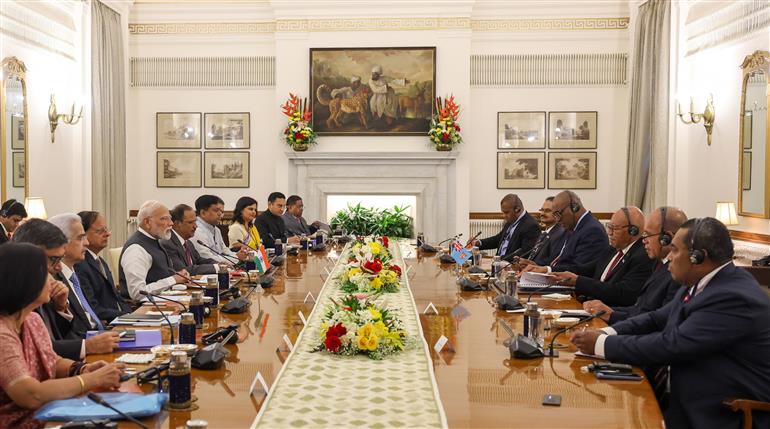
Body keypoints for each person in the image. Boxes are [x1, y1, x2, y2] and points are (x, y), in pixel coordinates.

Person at [570, 218, 770, 429]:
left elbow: (673, 345)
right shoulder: (700, 283)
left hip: (721, 412)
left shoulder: (733, 297)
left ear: (697, 257)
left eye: (674, 251)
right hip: (681, 394)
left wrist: (601, 345)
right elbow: (656, 318)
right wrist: (606, 332)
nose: (669, 257)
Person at [0, 243, 123, 428]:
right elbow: (31, 395)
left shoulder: (32, 319)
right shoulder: (2, 334)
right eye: (44, 273)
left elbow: (52, 361)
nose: (52, 280)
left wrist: (81, 369)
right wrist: (93, 379)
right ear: (23, 280)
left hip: (49, 414)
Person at [12, 219, 119, 360]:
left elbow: (57, 338)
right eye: (54, 259)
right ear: (29, 254)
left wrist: (61, 308)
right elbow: (38, 351)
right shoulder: (13, 297)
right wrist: (87, 347)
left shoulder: (44, 286)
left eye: (60, 259)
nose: (59, 267)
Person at [583, 207, 687, 324]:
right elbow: (639, 309)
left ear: (666, 238)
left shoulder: (677, 274)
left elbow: (658, 322)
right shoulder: (659, 265)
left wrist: (610, 325)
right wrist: (607, 311)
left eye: (648, 235)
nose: (644, 240)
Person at [549, 207, 655, 306]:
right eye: (609, 227)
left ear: (633, 231)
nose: (609, 233)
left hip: (609, 313)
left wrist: (578, 281)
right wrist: (548, 270)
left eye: (615, 228)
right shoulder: (612, 249)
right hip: (589, 306)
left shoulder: (643, 255)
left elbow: (623, 292)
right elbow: (586, 269)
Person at [519, 190, 610, 273]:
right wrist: (537, 266)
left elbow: (580, 269)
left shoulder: (592, 231)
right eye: (555, 215)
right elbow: (559, 260)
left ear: (574, 207)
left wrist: (547, 270)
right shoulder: (573, 227)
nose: (557, 220)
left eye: (558, 214)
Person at [119, 200, 189, 300]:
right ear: (147, 222)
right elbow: (137, 292)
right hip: (144, 310)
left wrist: (179, 277)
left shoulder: (155, 240)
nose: (171, 223)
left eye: (170, 219)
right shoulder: (136, 250)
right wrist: (173, 280)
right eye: (164, 219)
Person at [74, 211, 130, 323]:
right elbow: (93, 308)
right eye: (100, 231)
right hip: (106, 325)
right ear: (83, 234)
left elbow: (116, 297)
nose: (107, 234)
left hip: (119, 320)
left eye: (106, 229)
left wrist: (132, 315)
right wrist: (127, 315)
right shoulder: (80, 265)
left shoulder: (100, 261)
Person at [468, 194, 540, 261]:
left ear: (517, 209)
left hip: (511, 267)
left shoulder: (531, 226)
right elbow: (498, 239)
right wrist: (479, 242)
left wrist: (497, 259)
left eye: (506, 212)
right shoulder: (511, 220)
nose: (503, 215)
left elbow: (524, 253)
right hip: (499, 263)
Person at [162, 204, 220, 276]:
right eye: (190, 222)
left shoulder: (188, 242)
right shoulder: (168, 243)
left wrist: (217, 263)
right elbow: (183, 270)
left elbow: (199, 260)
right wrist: (216, 268)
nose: (195, 226)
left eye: (195, 222)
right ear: (177, 224)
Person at [191, 195, 248, 265]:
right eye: (216, 210)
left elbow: (224, 250)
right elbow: (207, 258)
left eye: (222, 211)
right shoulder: (196, 230)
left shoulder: (216, 230)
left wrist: (238, 254)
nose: (221, 214)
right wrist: (237, 258)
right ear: (203, 213)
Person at [527, 197, 566, 266]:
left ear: (558, 213)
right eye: (542, 210)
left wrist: (532, 265)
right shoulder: (545, 232)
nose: (542, 213)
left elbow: (552, 261)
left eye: (547, 211)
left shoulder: (560, 234)